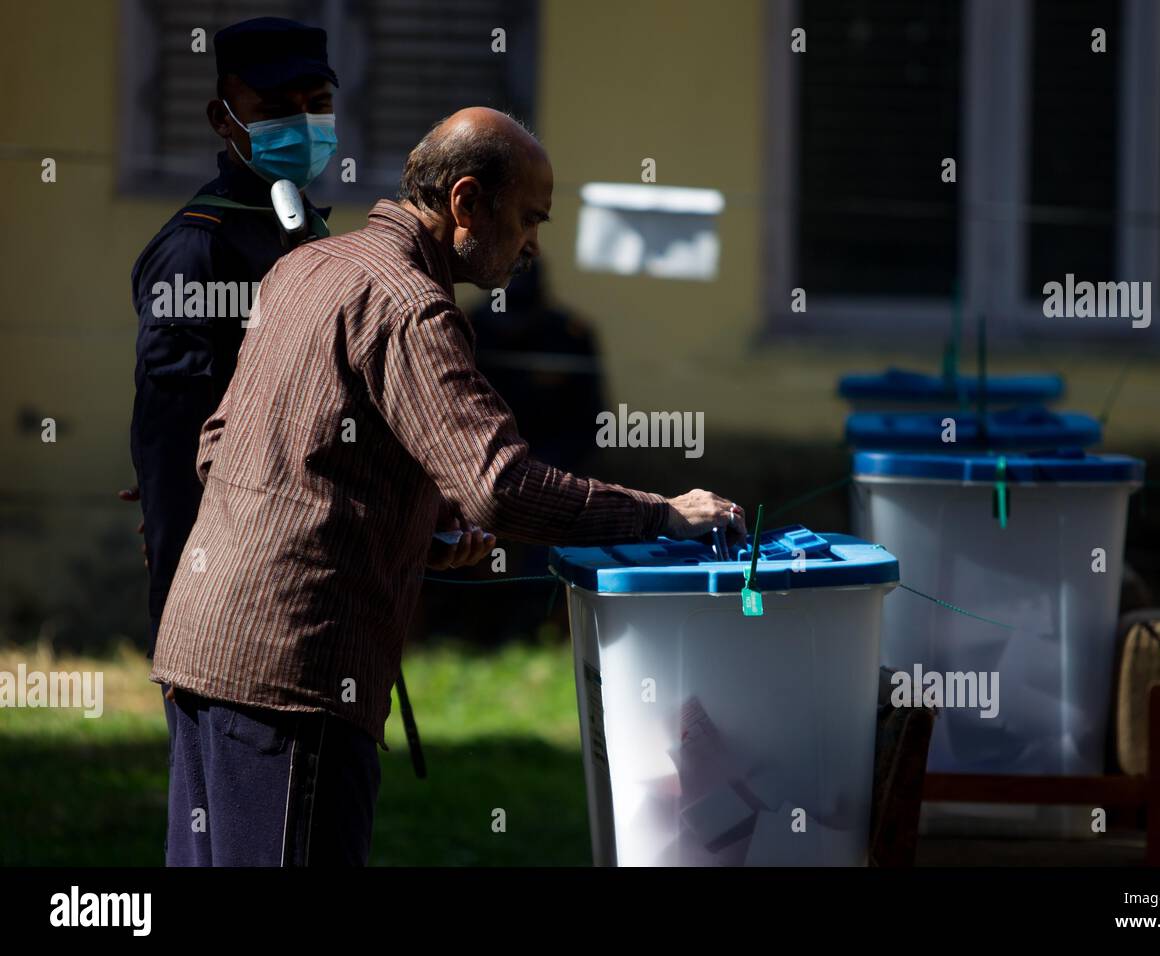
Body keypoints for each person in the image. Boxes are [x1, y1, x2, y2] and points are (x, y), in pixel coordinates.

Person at [150, 107, 746, 866]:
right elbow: (498, 486)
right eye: (529, 219)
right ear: (466, 203)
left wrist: (414, 528)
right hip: (293, 680)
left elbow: (217, 448)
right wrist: (662, 513)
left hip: (201, 650)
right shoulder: (412, 307)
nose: (534, 246)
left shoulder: (305, 267)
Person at [123, 17, 344, 661]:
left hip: (305, 544)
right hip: (228, 577)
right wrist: (180, 543)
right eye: (275, 110)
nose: (302, 125)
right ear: (224, 119)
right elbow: (172, 428)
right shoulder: (199, 245)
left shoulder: (303, 229)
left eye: (317, 106)